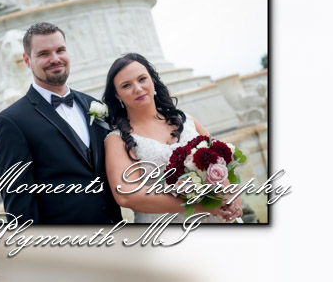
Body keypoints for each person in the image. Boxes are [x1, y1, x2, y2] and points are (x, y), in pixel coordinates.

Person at [0, 23, 121, 224]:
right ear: (27, 60)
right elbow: (19, 204)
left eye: (60, 50)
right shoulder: (10, 122)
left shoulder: (92, 103)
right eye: (44, 53)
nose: (55, 59)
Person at [101, 53, 243, 223]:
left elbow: (221, 165)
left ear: (153, 81)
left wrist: (233, 201)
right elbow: (127, 196)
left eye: (142, 79)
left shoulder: (187, 121)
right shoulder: (117, 140)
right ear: (117, 95)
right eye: (126, 85)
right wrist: (200, 207)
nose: (138, 88)